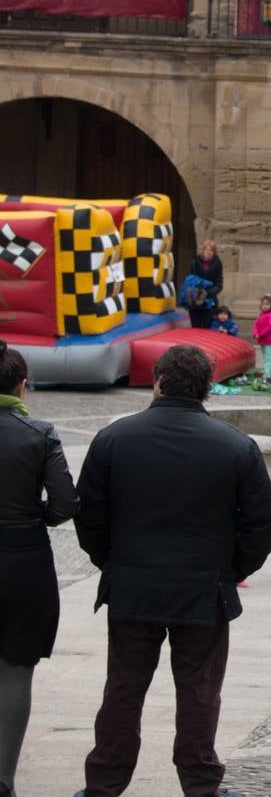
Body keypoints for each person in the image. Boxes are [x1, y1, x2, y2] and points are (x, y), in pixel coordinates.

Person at [74, 345, 271, 797]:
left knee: (124, 691)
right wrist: (230, 569)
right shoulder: (235, 446)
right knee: (199, 693)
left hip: (134, 586)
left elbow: (88, 515)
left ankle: (104, 785)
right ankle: (201, 784)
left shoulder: (114, 439)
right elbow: (263, 524)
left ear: (159, 381)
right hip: (202, 590)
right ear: (207, 387)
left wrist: (112, 561)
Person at [0, 341, 79, 797]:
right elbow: (67, 502)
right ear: (22, 386)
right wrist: (37, 517)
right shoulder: (42, 433)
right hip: (23, 559)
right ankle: (4, 776)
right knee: (15, 670)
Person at [184, 240, 223, 330]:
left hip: (209, 300)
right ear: (203, 250)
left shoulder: (217, 264)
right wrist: (196, 289)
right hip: (195, 299)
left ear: (214, 252)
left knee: (207, 327)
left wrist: (207, 292)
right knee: (195, 327)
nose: (208, 252)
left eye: (211, 250)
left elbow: (219, 284)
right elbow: (188, 277)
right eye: (207, 250)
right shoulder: (195, 261)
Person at [252, 295, 271, 380]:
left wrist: (260, 335)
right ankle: (267, 371)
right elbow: (255, 325)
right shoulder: (261, 315)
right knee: (265, 356)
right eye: (263, 304)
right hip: (262, 339)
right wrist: (255, 333)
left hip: (268, 339)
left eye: (267, 304)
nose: (265, 306)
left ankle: (267, 375)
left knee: (268, 357)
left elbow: (270, 327)